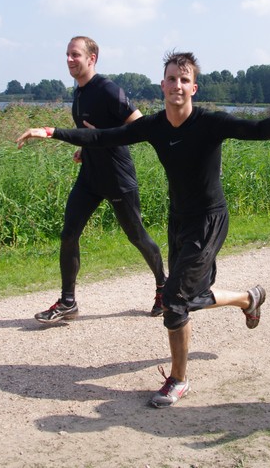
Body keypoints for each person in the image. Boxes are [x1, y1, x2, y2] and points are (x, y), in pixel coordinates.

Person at [17, 51, 270, 407]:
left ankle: (178, 380)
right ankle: (248, 298)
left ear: (194, 88)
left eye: (184, 79)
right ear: (162, 85)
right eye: (172, 79)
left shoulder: (209, 122)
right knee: (190, 297)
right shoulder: (155, 126)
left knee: (174, 300)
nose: (177, 85)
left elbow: (254, 130)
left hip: (208, 221)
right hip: (179, 220)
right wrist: (50, 131)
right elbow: (104, 137)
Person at [33, 36, 167, 323]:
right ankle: (68, 302)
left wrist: (103, 138)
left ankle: (163, 287)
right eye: (67, 54)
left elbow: (142, 128)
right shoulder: (80, 92)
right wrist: (86, 147)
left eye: (75, 55)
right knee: (69, 234)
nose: (69, 60)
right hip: (90, 176)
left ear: (91, 58)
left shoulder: (108, 90)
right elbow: (90, 130)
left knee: (136, 236)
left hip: (117, 176)